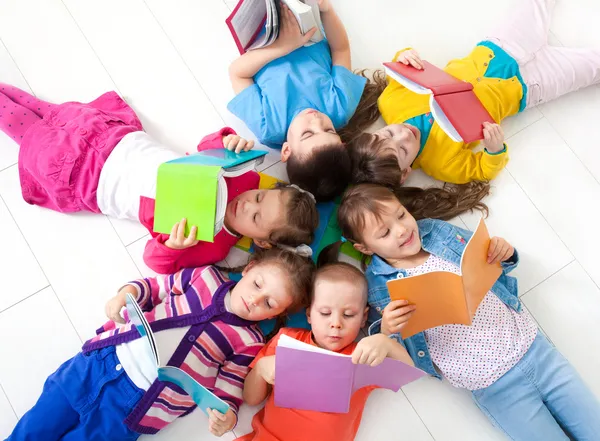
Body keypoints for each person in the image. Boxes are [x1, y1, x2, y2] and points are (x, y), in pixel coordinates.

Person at [329, 183, 600, 441]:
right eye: (384, 233)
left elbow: (493, 261)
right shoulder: (378, 286)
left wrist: (503, 253)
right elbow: (404, 357)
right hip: (496, 388)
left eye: (401, 215)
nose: (401, 230)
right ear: (363, 248)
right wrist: (387, 330)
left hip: (536, 351)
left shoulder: (435, 232)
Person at [0, 84, 318, 274]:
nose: (248, 204)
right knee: (41, 108)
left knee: (23, 128)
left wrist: (173, 244)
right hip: (113, 138)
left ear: (260, 241)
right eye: (261, 198)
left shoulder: (214, 246)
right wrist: (227, 141)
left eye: (257, 217)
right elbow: (206, 148)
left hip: (88, 177)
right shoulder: (244, 179)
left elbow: (156, 263)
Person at [6, 247, 316, 441]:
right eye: (257, 285)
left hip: (136, 405)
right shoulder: (204, 278)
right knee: (35, 427)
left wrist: (227, 416)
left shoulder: (249, 341)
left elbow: (230, 387)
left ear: (279, 313)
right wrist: (124, 293)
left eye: (269, 302)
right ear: (248, 270)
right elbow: (154, 288)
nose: (254, 299)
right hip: (98, 363)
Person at [347, 0, 600, 187]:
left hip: (498, 47)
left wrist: (403, 57)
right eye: (403, 150)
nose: (403, 134)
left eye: (389, 132)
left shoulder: (390, 102)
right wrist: (494, 149)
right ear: (405, 173)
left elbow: (398, 71)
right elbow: (482, 170)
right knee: (593, 67)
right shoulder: (441, 164)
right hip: (529, 86)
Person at [237, 260, 413, 441]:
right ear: (309, 315)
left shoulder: (361, 356)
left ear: (363, 317)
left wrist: (386, 342)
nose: (336, 323)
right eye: (325, 313)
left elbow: (407, 374)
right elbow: (251, 399)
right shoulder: (286, 340)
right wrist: (260, 369)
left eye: (348, 314)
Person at [228, 0, 381, 201]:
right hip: (303, 16)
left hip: (263, 30)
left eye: (308, 134)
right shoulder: (340, 107)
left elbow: (237, 73)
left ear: (286, 150)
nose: (317, 120)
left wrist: (283, 47)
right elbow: (341, 49)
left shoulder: (269, 127)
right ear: (341, 142)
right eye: (329, 130)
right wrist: (326, 10)